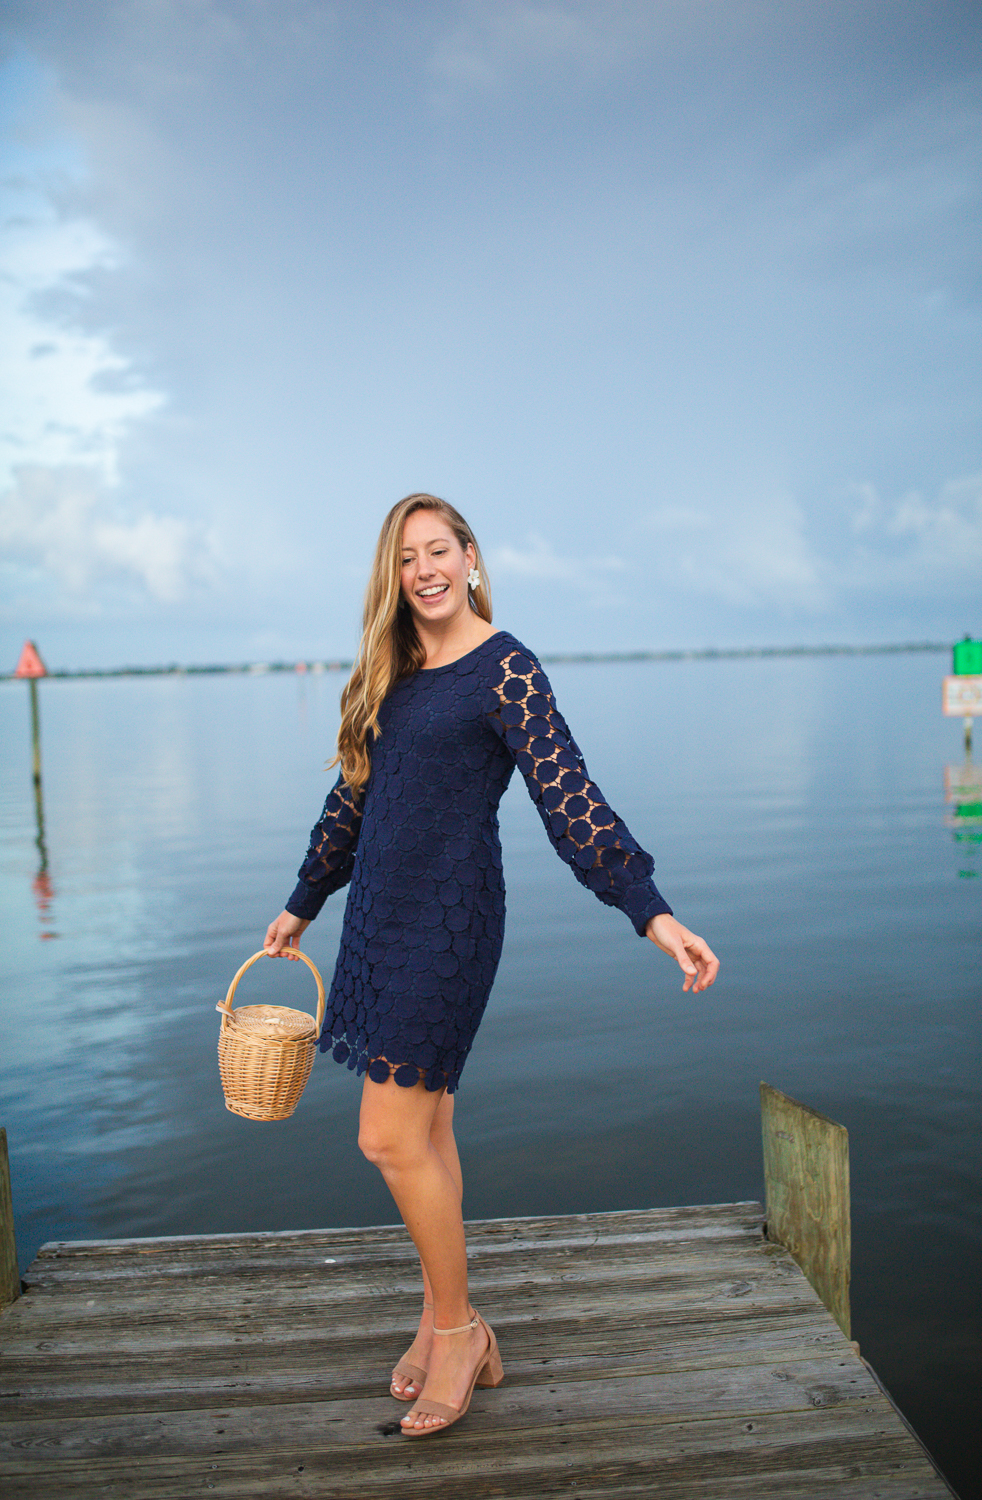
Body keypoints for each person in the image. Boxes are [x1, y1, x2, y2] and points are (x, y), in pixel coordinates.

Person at [264, 493, 719, 1437]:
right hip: (379, 924)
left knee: (386, 1140)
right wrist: (304, 900)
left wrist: (650, 911)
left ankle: (460, 1331)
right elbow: (354, 798)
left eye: (439, 550)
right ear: (392, 574)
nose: (424, 569)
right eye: (406, 557)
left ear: (471, 558)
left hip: (450, 924)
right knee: (427, 1136)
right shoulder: (390, 670)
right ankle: (443, 1326)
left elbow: (568, 795)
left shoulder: (505, 669)